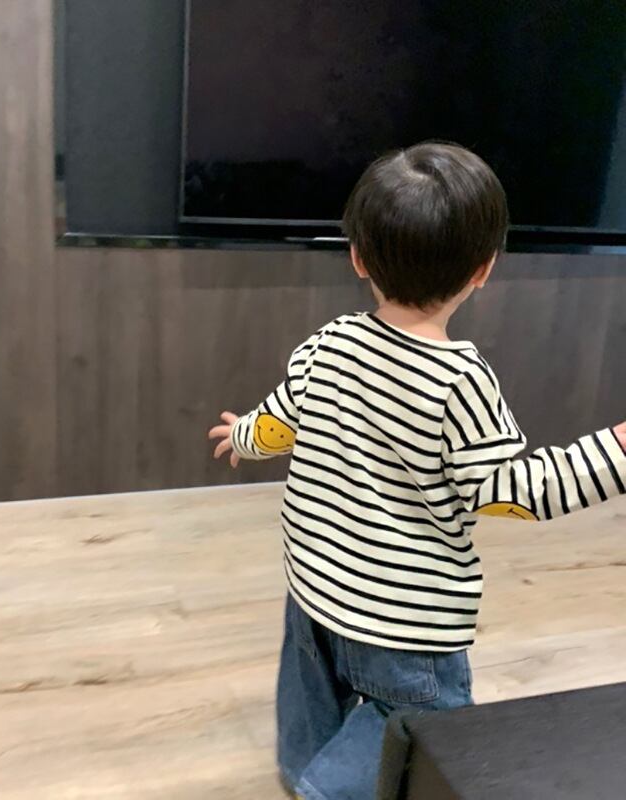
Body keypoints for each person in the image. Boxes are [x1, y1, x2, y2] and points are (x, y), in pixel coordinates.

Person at [207, 142, 626, 800]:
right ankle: (327, 790)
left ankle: (302, 769)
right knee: (422, 734)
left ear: (358, 257)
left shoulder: (329, 342)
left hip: (314, 583)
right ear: (484, 269)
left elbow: (280, 422)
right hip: (405, 621)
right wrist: (617, 450)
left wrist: (240, 436)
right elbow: (511, 494)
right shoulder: (459, 381)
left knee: (310, 694)